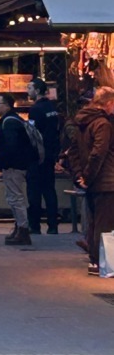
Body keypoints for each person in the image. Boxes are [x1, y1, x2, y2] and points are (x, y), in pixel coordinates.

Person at [66, 87, 114, 275]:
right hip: (106, 180)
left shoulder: (82, 123)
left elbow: (74, 152)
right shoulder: (103, 123)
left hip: (94, 182)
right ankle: (100, 262)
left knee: (95, 221)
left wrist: (80, 176)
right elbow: (98, 153)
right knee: (105, 223)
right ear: (109, 103)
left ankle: (97, 260)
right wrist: (87, 175)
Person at [0, 93, 34, 246]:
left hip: (14, 166)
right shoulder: (14, 120)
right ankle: (19, 228)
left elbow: (11, 146)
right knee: (14, 197)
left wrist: (3, 161)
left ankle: (23, 230)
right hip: (16, 165)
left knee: (15, 198)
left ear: (7, 105)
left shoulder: (9, 122)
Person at [26, 78, 61, 235]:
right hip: (50, 154)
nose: (28, 91)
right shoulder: (52, 108)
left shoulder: (35, 110)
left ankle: (35, 225)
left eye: (30, 88)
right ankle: (53, 225)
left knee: (34, 191)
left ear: (37, 91)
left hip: (38, 155)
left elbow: (33, 134)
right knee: (49, 190)